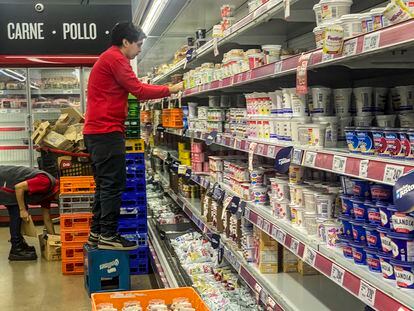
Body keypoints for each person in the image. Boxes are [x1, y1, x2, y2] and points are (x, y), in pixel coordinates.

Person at [83, 22, 183, 251]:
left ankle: (97, 233)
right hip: (106, 131)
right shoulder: (116, 59)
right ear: (125, 42)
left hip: (97, 131)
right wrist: (171, 89)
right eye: (138, 45)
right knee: (112, 184)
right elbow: (139, 90)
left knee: (104, 185)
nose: (139, 50)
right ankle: (108, 234)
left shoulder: (107, 58)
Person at [0, 165, 59, 261]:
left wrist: (54, 240)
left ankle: (20, 244)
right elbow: (18, 188)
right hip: (4, 180)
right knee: (17, 211)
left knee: (19, 208)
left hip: (9, 181)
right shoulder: (46, 182)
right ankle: (16, 249)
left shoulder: (49, 193)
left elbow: (47, 218)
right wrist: (22, 210)